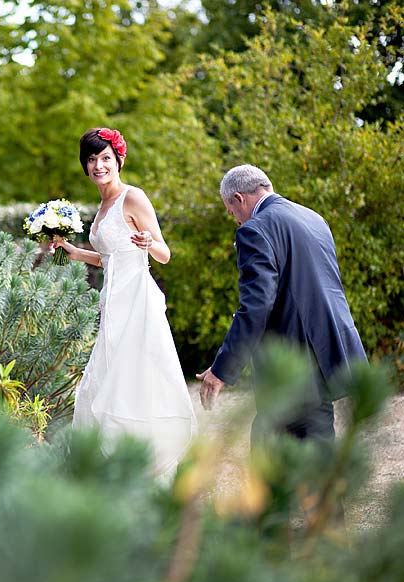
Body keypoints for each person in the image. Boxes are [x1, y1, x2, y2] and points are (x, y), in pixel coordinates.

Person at [53, 128, 197, 480]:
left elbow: (164, 254)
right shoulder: (102, 206)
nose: (98, 165)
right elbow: (109, 257)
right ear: (85, 166)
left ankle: (149, 467)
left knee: (134, 383)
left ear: (118, 160)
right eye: (91, 159)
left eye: (105, 158)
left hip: (137, 303)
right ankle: (118, 466)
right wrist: (74, 253)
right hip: (112, 304)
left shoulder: (133, 198)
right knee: (107, 382)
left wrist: (148, 241)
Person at [196, 164, 366, 441]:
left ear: (238, 198)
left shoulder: (255, 230)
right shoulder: (313, 218)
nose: (236, 220)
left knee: (272, 450)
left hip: (291, 357)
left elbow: (257, 305)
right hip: (328, 348)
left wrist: (222, 370)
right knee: (315, 441)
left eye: (232, 212)